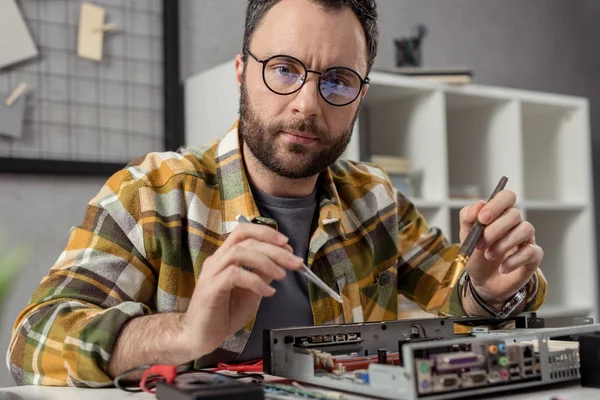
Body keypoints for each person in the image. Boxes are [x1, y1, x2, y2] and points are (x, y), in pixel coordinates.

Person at [7, 0, 546, 387]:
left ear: (359, 97)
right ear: (242, 73)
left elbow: (456, 299)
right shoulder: (151, 195)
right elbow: (32, 341)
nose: (307, 105)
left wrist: (488, 289)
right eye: (284, 69)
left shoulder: (375, 198)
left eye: (336, 80)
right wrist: (185, 331)